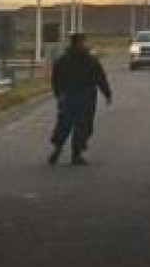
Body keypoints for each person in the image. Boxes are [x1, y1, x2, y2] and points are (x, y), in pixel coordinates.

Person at [48, 32, 113, 166]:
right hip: (86, 95)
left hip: (68, 95)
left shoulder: (62, 60)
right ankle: (76, 154)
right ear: (81, 43)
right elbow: (100, 77)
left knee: (64, 123)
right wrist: (107, 94)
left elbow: (55, 79)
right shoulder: (90, 60)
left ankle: (57, 148)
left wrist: (58, 95)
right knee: (83, 124)